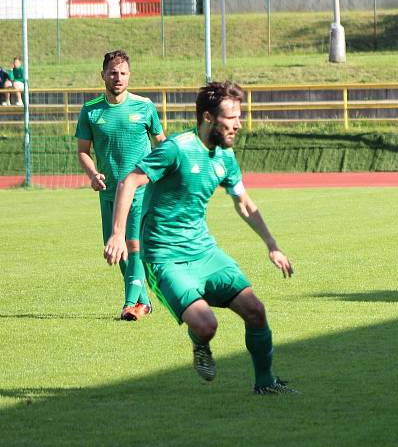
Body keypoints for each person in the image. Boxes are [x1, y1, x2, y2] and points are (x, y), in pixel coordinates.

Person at [103, 81, 298, 395]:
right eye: (231, 117)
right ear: (208, 118)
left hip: (204, 251)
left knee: (256, 311)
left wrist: (272, 245)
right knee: (207, 325)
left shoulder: (224, 157)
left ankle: (266, 383)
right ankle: (200, 343)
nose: (238, 123)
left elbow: (244, 203)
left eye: (239, 116)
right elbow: (129, 182)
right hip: (164, 256)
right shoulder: (176, 148)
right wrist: (117, 234)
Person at [76, 50, 166, 321]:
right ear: (102, 74)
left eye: (123, 73)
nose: (118, 77)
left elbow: (162, 142)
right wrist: (93, 174)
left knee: (133, 244)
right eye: (113, 72)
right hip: (108, 193)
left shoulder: (144, 106)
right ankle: (144, 302)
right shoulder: (90, 111)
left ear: (130, 76)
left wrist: (168, 170)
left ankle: (129, 304)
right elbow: (82, 151)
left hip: (140, 190)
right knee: (115, 248)